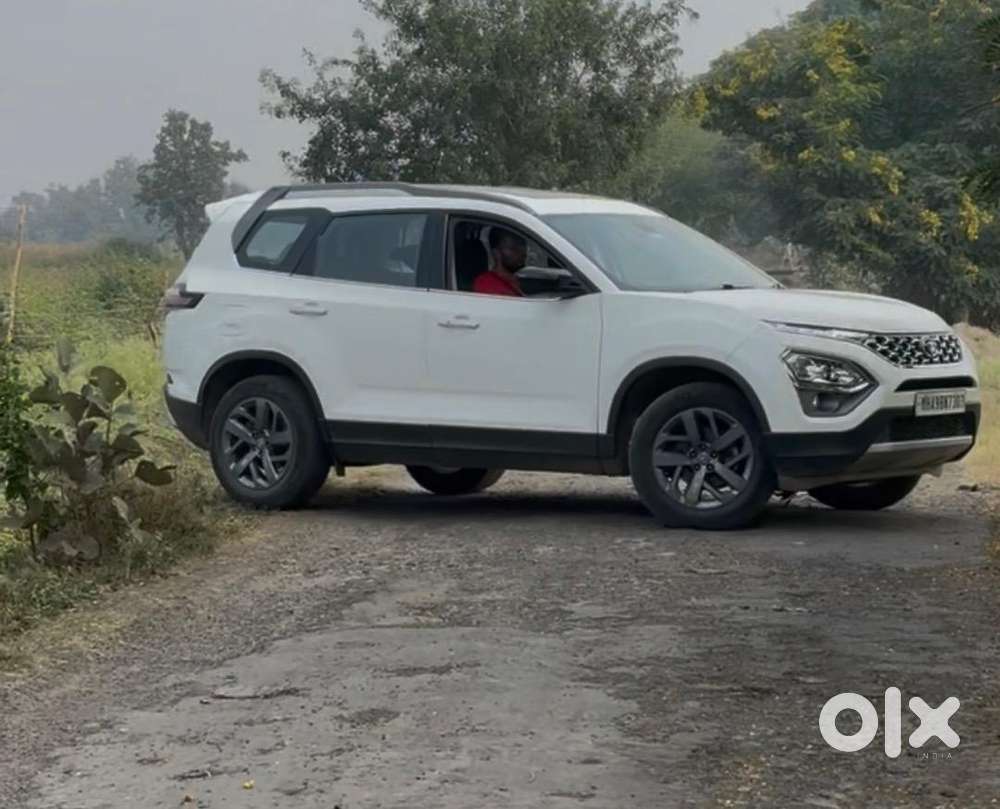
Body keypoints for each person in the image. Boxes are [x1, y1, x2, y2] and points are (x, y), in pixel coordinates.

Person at [473, 227, 527, 296]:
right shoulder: (486, 283)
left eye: (522, 246)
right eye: (513, 248)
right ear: (496, 253)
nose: (522, 253)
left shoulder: (513, 279)